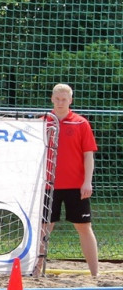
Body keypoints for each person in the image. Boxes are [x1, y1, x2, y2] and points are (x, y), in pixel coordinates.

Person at [36, 83, 99, 277]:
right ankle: (36, 272)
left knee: (84, 228)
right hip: (48, 185)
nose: (61, 102)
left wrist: (87, 181)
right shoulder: (42, 122)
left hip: (76, 186)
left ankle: (95, 275)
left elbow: (88, 155)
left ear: (70, 100)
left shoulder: (80, 123)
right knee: (44, 228)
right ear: (52, 99)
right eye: (57, 98)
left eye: (64, 99)